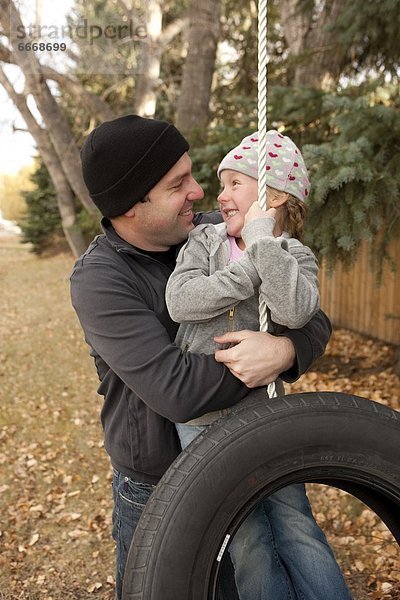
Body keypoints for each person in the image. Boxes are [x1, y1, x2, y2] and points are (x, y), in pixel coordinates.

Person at [70, 114, 333, 600]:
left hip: (248, 442)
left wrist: (284, 349)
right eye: (178, 184)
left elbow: (313, 316)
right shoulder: (100, 280)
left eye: (192, 174)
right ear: (132, 205)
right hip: (158, 484)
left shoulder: (220, 231)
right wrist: (257, 362)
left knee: (265, 564)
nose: (198, 191)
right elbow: (177, 389)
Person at [165, 131, 352, 600]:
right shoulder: (203, 242)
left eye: (233, 184)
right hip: (201, 420)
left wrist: (263, 246)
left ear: (273, 195)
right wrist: (247, 270)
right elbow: (181, 301)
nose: (220, 196)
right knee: (246, 535)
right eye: (222, 185)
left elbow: (293, 313)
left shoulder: (294, 255)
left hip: (264, 411)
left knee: (294, 522)